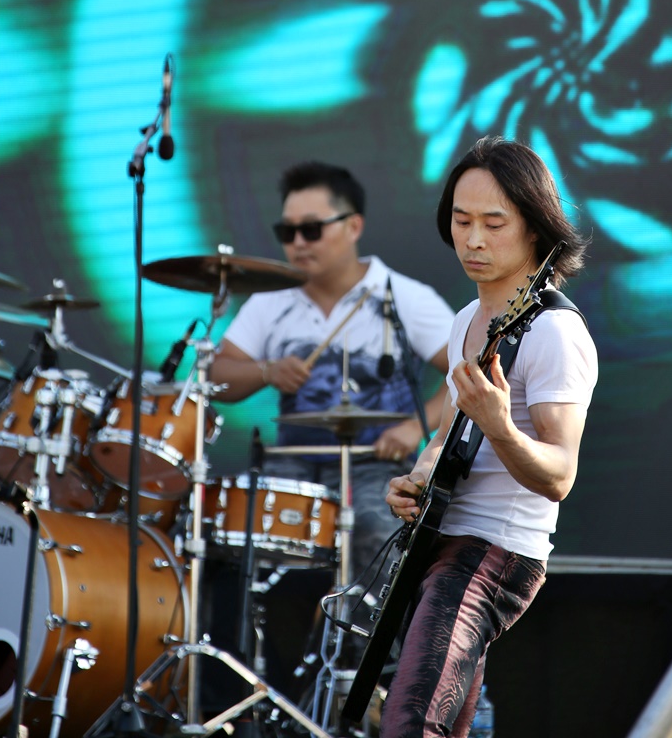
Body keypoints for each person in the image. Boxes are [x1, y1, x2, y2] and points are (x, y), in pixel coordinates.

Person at [206, 161, 454, 699]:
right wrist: (265, 371)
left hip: (376, 466)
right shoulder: (270, 302)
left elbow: (465, 372)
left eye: (312, 229)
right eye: (287, 231)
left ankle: (360, 689)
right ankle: (255, 697)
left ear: (353, 226)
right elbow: (216, 376)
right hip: (292, 467)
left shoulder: (402, 296)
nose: (298, 242)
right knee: (230, 544)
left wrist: (413, 427)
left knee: (374, 529)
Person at [380, 135, 598, 738]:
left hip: (497, 552)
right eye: (461, 221)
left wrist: (500, 425)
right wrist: (417, 479)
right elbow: (447, 435)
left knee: (411, 720)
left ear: (534, 227)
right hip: (445, 542)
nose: (473, 239)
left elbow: (559, 475)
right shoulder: (466, 322)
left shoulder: (555, 331)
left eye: (494, 223)